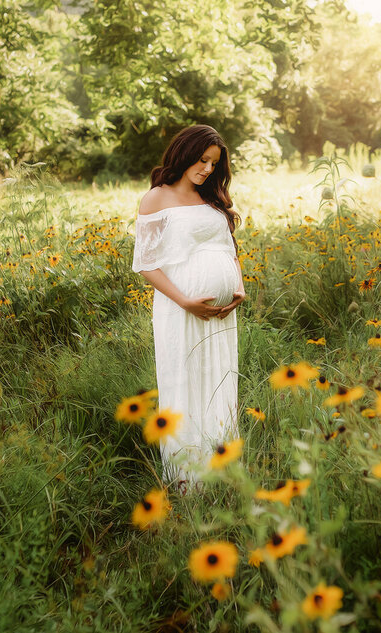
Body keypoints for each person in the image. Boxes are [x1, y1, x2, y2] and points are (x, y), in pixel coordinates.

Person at [131, 125, 245, 489]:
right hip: (180, 310)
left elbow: (229, 249)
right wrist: (184, 301)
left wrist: (237, 287)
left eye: (214, 163)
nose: (208, 169)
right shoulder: (156, 199)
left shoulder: (211, 198)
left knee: (219, 380)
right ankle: (187, 481)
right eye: (202, 160)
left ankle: (221, 471)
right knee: (186, 381)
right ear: (184, 153)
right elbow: (146, 263)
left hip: (221, 314)